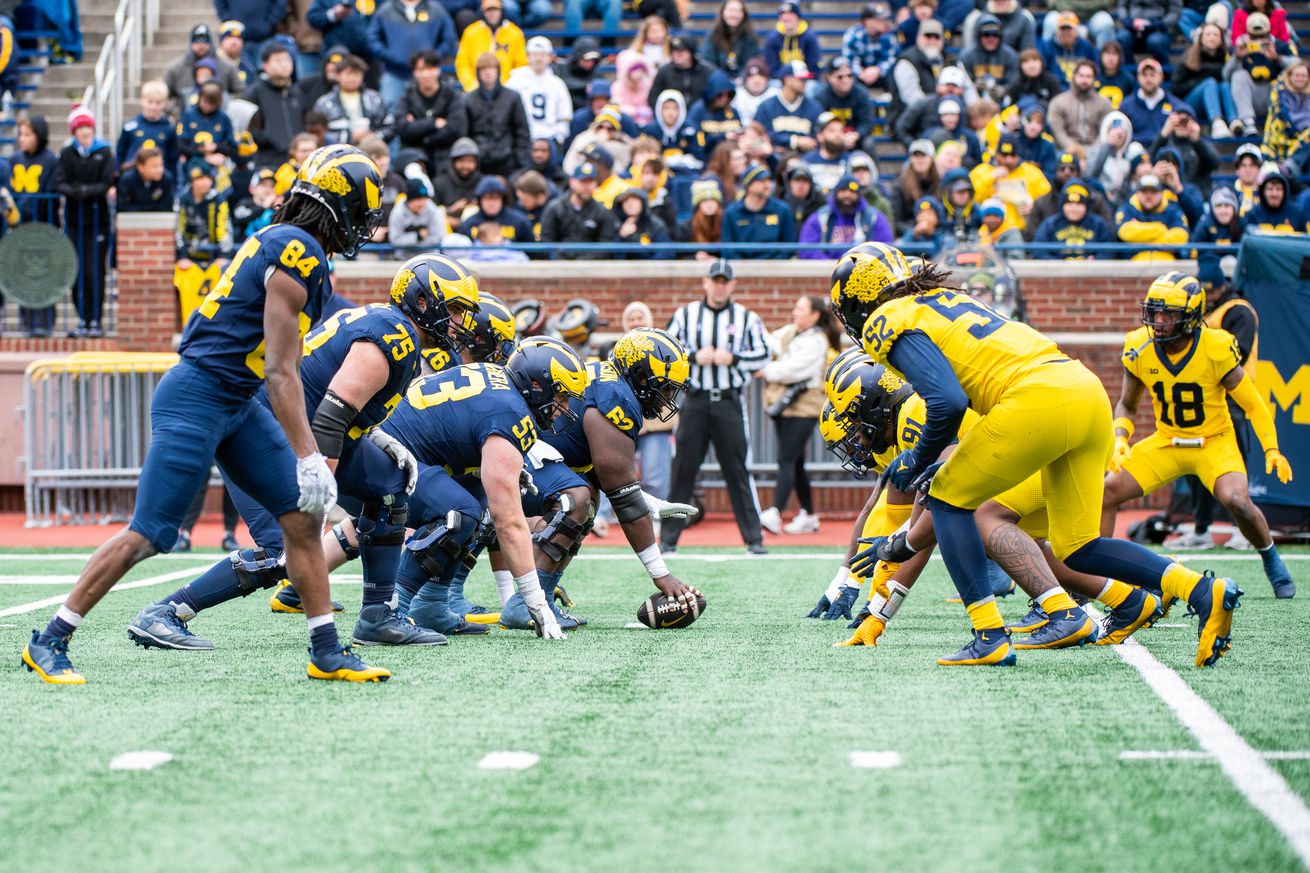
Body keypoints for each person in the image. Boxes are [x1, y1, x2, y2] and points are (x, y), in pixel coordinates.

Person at [22, 145, 390, 684]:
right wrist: (310, 455)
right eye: (362, 212)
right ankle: (49, 639)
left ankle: (327, 651)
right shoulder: (299, 254)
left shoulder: (290, 243)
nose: (365, 227)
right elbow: (281, 373)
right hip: (199, 394)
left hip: (234, 400)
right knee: (151, 533)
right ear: (340, 207)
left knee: (300, 520)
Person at [832, 242, 1243, 668]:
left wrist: (916, 459)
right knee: (1078, 547)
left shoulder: (887, 318)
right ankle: (1198, 589)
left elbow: (948, 402)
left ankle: (988, 634)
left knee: (948, 499)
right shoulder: (943, 299)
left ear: (858, 298)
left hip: (1035, 400)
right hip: (1083, 391)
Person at [127, 255, 477, 649]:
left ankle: (379, 616)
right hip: (262, 430)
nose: (460, 323)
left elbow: (337, 402)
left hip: (298, 433)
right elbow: (331, 414)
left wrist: (379, 438)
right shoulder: (394, 335)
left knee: (389, 485)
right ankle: (167, 611)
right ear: (423, 301)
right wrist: (320, 493)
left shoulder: (392, 327)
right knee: (285, 548)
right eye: (455, 310)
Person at [1103, 272, 1295, 599]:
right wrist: (1121, 437)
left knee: (1237, 500)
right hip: (1167, 441)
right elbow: (1127, 404)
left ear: (1191, 317)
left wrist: (1272, 449)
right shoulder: (1139, 346)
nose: (1159, 321)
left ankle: (1270, 558)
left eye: (1169, 314)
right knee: (1107, 490)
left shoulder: (1216, 347)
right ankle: (1100, 573)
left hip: (1214, 440)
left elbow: (1253, 405)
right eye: (1155, 312)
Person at [385, 337, 589, 639]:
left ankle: (431, 603)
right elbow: (508, 522)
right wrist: (535, 600)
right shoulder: (511, 411)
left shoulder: (499, 382)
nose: (564, 408)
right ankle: (389, 610)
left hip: (400, 453)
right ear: (536, 385)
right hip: (389, 461)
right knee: (461, 512)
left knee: (474, 498)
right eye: (561, 396)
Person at [662, 259, 772, 555]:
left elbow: (765, 353)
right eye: (716, 280)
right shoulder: (686, 315)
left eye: (725, 281)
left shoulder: (746, 317)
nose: (720, 286)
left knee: (738, 470)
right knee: (682, 470)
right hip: (695, 401)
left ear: (732, 285)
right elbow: (666, 349)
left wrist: (733, 358)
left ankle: (754, 539)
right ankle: (668, 539)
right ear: (706, 282)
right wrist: (695, 356)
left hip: (728, 401)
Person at [758, 295, 843, 535]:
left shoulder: (817, 340)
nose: (794, 311)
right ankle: (809, 514)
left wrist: (766, 371)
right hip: (785, 406)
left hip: (804, 407)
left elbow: (794, 370)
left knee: (786, 458)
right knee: (795, 462)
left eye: (800, 308)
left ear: (815, 315)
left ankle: (775, 511)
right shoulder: (791, 332)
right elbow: (770, 342)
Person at [55, 106, 116, 339]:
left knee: (95, 271)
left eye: (87, 127)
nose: (85, 131)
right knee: (76, 272)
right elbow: (59, 181)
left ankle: (96, 320)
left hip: (97, 221)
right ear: (74, 131)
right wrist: (75, 192)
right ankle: (82, 318)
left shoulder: (104, 151)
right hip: (74, 222)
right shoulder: (67, 153)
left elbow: (107, 180)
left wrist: (86, 191)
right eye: (80, 128)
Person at [10, 116, 61, 336]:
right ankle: (27, 321)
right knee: (23, 275)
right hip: (21, 229)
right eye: (21, 134)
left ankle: (45, 322)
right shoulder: (14, 159)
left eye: (27, 134)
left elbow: (50, 193)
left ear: (39, 136)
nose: (23, 139)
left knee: (44, 275)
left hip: (43, 227)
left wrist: (27, 209)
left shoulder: (50, 159)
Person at [368, 0, 458, 109]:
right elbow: (372, 38)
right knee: (390, 112)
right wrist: (390, 56)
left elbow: (449, 37)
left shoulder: (435, 9)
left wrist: (433, 58)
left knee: (430, 113)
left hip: (427, 75)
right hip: (395, 73)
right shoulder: (385, 9)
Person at [394, 49, 468, 174]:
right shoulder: (407, 96)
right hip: (415, 156)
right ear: (414, 72)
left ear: (438, 69)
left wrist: (424, 136)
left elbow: (457, 128)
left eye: (430, 69)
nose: (426, 74)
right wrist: (433, 123)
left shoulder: (451, 95)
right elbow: (402, 128)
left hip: (446, 155)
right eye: (421, 70)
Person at [798, 172, 893, 258]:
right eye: (843, 191)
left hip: (864, 271)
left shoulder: (874, 217)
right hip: (827, 270)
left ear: (859, 195)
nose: (847, 195)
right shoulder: (821, 217)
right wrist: (832, 266)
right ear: (835, 193)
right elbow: (806, 249)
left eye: (852, 192)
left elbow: (885, 248)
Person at [539, 160, 619, 258]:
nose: (587, 186)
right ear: (572, 182)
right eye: (582, 181)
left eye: (590, 182)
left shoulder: (602, 211)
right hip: (559, 267)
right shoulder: (554, 208)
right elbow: (547, 241)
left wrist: (583, 263)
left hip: (591, 268)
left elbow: (605, 245)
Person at [245, 43, 304, 171]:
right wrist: (269, 140)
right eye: (278, 60)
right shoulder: (255, 92)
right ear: (265, 65)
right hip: (268, 161)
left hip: (297, 160)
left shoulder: (296, 91)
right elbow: (251, 130)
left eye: (287, 59)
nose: (284, 64)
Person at [314, 55, 394, 145]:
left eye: (356, 74)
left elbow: (390, 126)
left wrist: (374, 136)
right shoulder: (324, 102)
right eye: (348, 74)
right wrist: (349, 137)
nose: (352, 78)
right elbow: (318, 132)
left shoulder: (375, 98)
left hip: (371, 149)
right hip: (337, 152)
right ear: (337, 75)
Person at [722, 164, 796, 258]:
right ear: (749, 186)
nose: (767, 185)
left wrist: (775, 265)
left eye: (768, 180)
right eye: (762, 181)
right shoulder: (731, 213)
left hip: (776, 268)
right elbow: (728, 248)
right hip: (741, 268)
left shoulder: (782, 210)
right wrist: (743, 267)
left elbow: (789, 245)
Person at [1048, 59, 1111, 161]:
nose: (1084, 80)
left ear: (1094, 79)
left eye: (1088, 76)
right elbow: (1058, 132)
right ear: (1074, 76)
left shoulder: (1104, 103)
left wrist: (1093, 151)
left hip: (1096, 152)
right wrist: (1075, 149)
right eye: (1081, 76)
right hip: (1066, 151)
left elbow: (1105, 132)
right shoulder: (1058, 102)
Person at [1032, 178, 1114, 257]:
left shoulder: (1099, 225)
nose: (1074, 209)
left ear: (1087, 206)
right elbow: (1039, 251)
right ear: (1062, 205)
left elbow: (1108, 251)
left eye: (1079, 204)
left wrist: (1095, 261)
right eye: (1069, 204)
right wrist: (1058, 264)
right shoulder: (1049, 225)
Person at [456, 0, 527, 92]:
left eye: (495, 10)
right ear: (483, 12)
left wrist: (509, 86)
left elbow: (521, 64)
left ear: (501, 11)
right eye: (488, 10)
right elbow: (462, 63)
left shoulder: (514, 33)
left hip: (507, 88)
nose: (492, 14)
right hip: (476, 89)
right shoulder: (471, 32)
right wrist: (471, 84)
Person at [755, 61, 823, 152]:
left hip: (805, 159)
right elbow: (758, 136)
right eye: (801, 79)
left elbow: (819, 137)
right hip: (773, 158)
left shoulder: (814, 107)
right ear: (787, 79)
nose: (805, 83)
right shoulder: (766, 107)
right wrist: (794, 141)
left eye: (806, 80)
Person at [165, 24, 242, 104]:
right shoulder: (176, 69)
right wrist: (178, 110)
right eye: (197, 41)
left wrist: (222, 104)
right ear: (190, 43)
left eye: (205, 41)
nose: (201, 45)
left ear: (211, 43)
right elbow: (165, 96)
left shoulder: (227, 67)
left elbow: (240, 92)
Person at [116, 80, 178, 173]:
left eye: (158, 103)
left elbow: (173, 159)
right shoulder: (130, 126)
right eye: (150, 102)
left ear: (164, 103)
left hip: (159, 177)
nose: (153, 106)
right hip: (133, 177)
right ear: (142, 100)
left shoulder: (169, 128)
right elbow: (120, 153)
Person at [648, 35, 716, 111]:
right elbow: (653, 97)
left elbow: (716, 96)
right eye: (674, 50)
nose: (677, 54)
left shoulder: (707, 71)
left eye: (681, 50)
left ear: (691, 52)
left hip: (700, 116)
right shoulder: (664, 71)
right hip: (671, 117)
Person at [843, 1, 898, 90]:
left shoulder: (888, 35)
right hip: (860, 76)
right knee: (847, 78)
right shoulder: (853, 35)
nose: (884, 22)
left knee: (896, 76)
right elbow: (850, 60)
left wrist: (878, 70)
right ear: (867, 21)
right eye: (879, 19)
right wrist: (861, 73)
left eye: (884, 19)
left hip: (881, 74)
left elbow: (892, 58)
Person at [701, 0, 760, 76]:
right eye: (731, 10)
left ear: (743, 14)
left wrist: (743, 77)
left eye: (738, 11)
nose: (734, 15)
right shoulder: (713, 36)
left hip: (743, 82)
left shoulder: (750, 36)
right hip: (718, 81)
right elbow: (708, 62)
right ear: (723, 13)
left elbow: (753, 61)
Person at [763, 1, 820, 76]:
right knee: (774, 85)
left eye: (791, 14)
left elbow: (814, 69)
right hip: (781, 80)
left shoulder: (809, 37)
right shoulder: (773, 39)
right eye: (783, 14)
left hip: (805, 80)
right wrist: (789, 72)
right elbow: (772, 70)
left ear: (798, 17)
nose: (786, 17)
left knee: (812, 86)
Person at [1243, 165, 1307, 232]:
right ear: (1263, 191)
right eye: (1270, 189)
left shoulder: (1297, 213)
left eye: (1278, 189)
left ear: (1285, 191)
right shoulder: (1253, 214)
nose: (1274, 193)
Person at [389, 177, 447, 247]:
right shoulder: (398, 212)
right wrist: (417, 236)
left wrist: (414, 243)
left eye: (424, 199)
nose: (422, 203)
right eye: (418, 199)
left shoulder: (432, 209)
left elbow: (438, 237)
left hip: (429, 254)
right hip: (404, 256)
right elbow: (395, 240)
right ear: (409, 200)